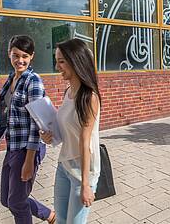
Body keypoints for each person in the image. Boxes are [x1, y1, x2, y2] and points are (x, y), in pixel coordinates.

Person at [0, 35, 55, 224]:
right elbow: (4, 114)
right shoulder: (10, 79)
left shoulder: (33, 81)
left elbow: (36, 122)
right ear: (9, 54)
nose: (20, 60)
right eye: (16, 55)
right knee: (6, 199)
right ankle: (49, 215)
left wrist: (29, 160)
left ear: (31, 56)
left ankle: (47, 215)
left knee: (16, 202)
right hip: (13, 146)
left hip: (28, 148)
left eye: (25, 55)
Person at [40, 38, 101, 224]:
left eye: (61, 61)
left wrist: (85, 185)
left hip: (82, 172)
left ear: (75, 61)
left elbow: (85, 141)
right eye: (56, 60)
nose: (57, 66)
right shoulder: (68, 92)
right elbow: (65, 131)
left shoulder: (89, 97)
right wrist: (49, 137)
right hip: (64, 166)